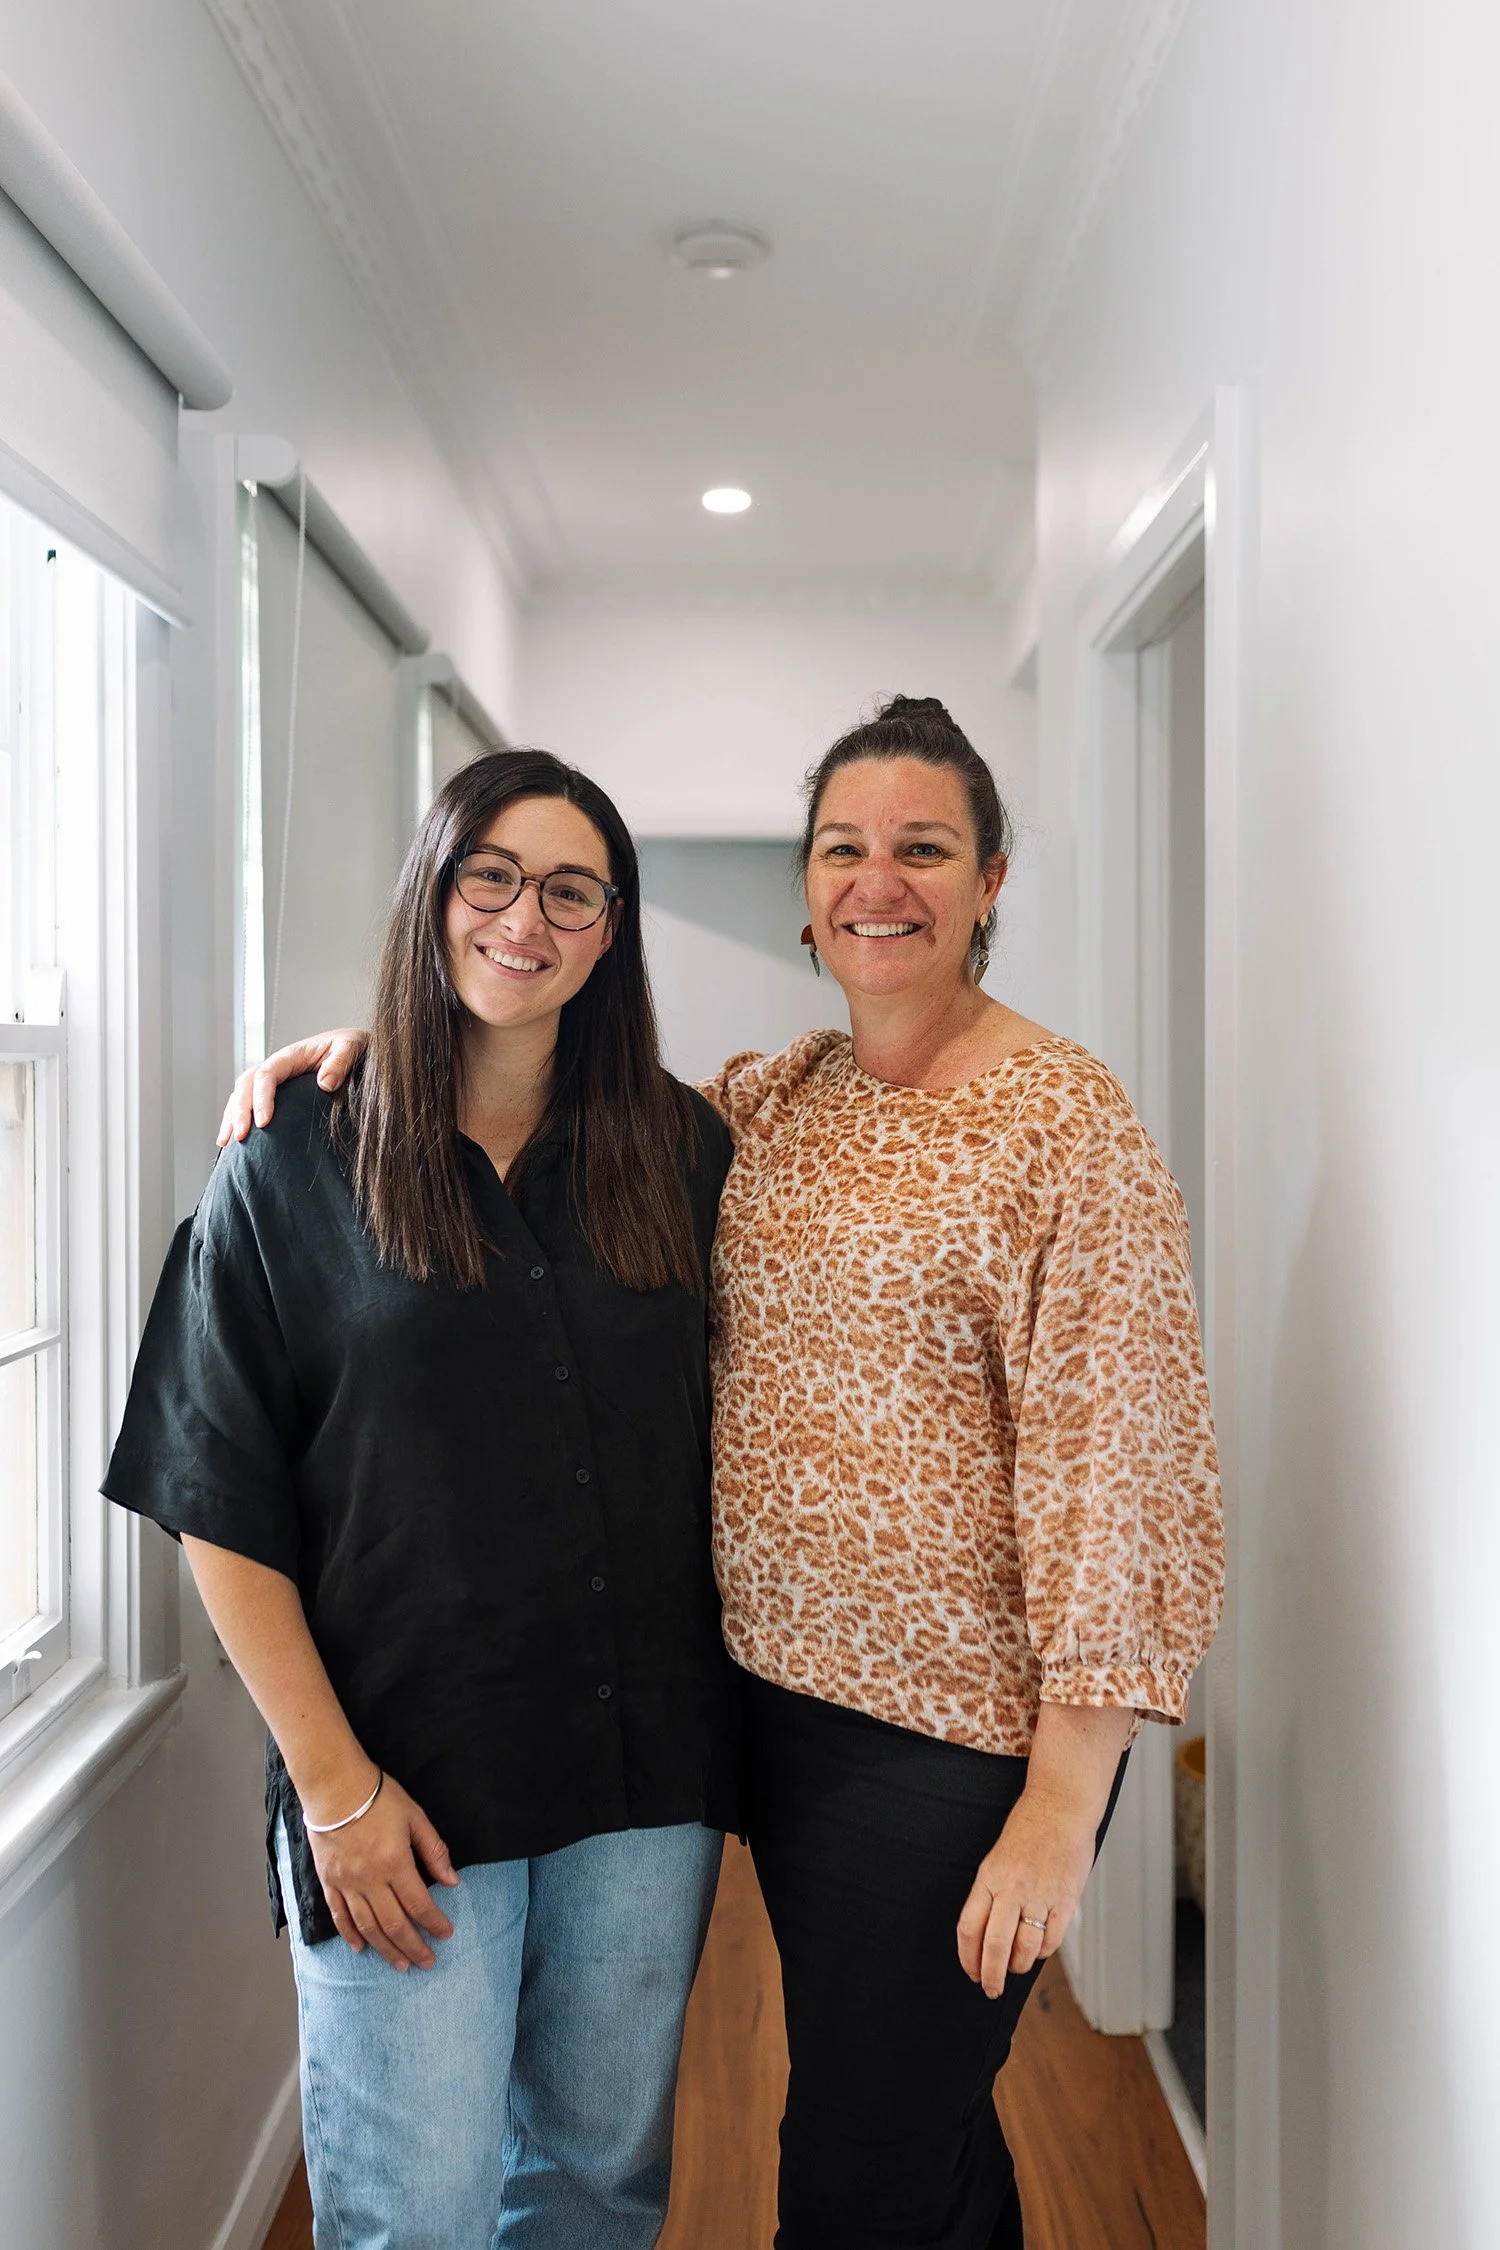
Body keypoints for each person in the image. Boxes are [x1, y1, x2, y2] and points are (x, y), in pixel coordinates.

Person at [224, 695, 1224, 2250]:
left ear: (993, 877)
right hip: (764, 1718)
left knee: (858, 2175)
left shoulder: (1064, 1124)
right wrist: (369, 1052)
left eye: (923, 847)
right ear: (808, 885)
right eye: (844, 845)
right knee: (912, 2135)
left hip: (955, 1745)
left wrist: (1062, 1798)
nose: (877, 879)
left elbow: (1129, 1472)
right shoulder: (773, 1105)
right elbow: (535, 1090)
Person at [105, 749, 739, 2250]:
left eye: (573, 889)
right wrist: (334, 1791)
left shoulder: (685, 1150)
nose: (528, 916)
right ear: (432, 891)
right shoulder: (291, 1163)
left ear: (613, 929)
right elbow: (219, 1498)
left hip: (641, 1780)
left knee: (599, 2186)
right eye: (491, 875)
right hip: (402, 1785)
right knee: (418, 2214)